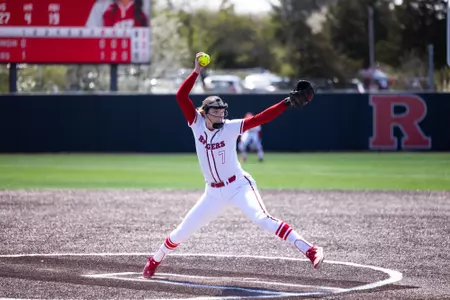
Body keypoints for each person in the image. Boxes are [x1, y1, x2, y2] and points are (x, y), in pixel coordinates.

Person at [142, 52, 323, 278]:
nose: (221, 114)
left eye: (222, 111)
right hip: (212, 193)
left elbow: (260, 119)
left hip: (239, 186)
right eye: (216, 111)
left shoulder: (229, 127)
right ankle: (154, 260)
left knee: (263, 219)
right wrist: (196, 71)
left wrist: (285, 102)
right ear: (205, 113)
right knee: (182, 232)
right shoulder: (196, 123)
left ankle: (311, 250)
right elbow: (181, 96)